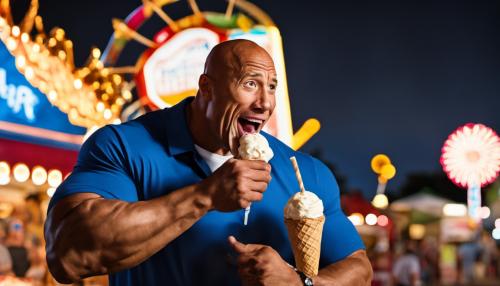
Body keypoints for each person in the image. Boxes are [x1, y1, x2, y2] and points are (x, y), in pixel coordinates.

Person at [44, 39, 372, 285]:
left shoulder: (306, 173)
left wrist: (298, 282)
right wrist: (205, 196)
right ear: (206, 88)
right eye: (250, 84)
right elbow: (68, 256)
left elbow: (359, 268)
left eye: (272, 87)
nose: (265, 102)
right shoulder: (124, 145)